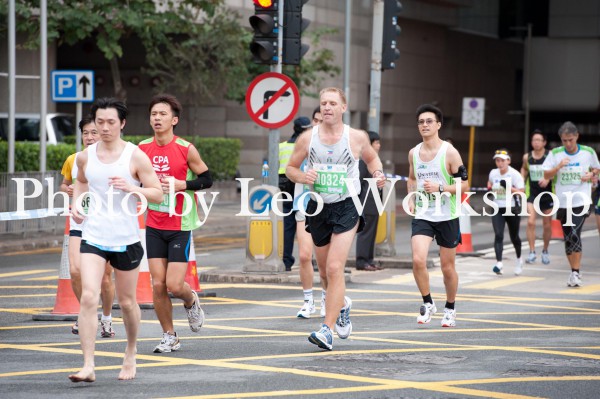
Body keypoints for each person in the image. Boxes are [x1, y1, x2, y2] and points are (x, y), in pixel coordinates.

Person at [69, 97, 163, 382]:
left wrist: (133, 189)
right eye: (100, 123)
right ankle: (88, 365)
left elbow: (157, 192)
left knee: (126, 302)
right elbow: (82, 181)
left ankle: (131, 352)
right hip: (94, 235)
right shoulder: (85, 156)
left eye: (111, 122)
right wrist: (77, 202)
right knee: (88, 296)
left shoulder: (135, 156)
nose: (105, 128)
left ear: (122, 123)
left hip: (126, 237)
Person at [286, 87, 386, 350]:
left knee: (334, 267)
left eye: (332, 103)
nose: (327, 107)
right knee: (326, 274)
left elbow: (373, 159)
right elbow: (290, 169)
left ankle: (326, 331)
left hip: (347, 206)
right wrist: (302, 177)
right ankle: (342, 305)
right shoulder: (308, 139)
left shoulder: (356, 137)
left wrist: (377, 174)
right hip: (318, 207)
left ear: (343, 107)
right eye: (323, 104)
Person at [138, 94, 212, 353]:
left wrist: (184, 184)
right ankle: (169, 335)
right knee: (157, 284)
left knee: (174, 285)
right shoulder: (142, 148)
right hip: (155, 224)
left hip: (180, 224)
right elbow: (135, 180)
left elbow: (207, 178)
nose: (157, 118)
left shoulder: (185, 148)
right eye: (153, 114)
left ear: (174, 120)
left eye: (162, 114)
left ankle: (191, 300)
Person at [407, 104, 468, 328]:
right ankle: (428, 302)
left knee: (447, 267)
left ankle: (450, 308)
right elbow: (411, 178)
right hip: (424, 213)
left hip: (447, 214)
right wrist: (412, 198)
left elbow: (466, 185)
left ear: (438, 125)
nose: (424, 125)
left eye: (429, 121)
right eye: (421, 122)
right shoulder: (414, 153)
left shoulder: (449, 152)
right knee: (417, 259)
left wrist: (442, 188)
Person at [60, 115, 115, 337]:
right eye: (86, 133)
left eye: (94, 132)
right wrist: (68, 190)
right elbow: (64, 185)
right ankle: (87, 313)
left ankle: (107, 318)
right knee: (75, 271)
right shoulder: (73, 159)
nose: (90, 137)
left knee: (104, 277)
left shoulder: (111, 159)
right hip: (79, 221)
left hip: (104, 223)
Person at [542, 121, 600, 287]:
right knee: (568, 237)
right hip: (562, 202)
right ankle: (573, 271)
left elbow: (597, 168)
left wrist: (591, 173)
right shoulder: (556, 153)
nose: (567, 143)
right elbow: (546, 173)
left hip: (581, 200)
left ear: (576, 137)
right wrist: (558, 166)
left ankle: (576, 272)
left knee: (575, 232)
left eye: (570, 140)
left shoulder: (588, 152)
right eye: (564, 140)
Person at [279, 116, 313, 271]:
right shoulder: (307, 146)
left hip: (284, 188)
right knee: (306, 225)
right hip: (301, 187)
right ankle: (307, 259)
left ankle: (286, 261)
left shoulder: (281, 146)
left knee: (288, 227)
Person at [488, 149, 525, 276]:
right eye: (497, 160)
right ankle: (499, 263)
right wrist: (490, 187)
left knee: (514, 236)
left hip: (512, 208)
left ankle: (519, 260)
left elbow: (522, 192)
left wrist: (509, 188)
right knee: (498, 235)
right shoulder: (493, 173)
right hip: (497, 207)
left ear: (508, 161)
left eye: (502, 160)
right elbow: (490, 183)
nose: (500, 163)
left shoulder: (515, 174)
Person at [520, 130, 553, 265]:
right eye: (534, 140)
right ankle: (532, 252)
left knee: (546, 225)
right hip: (532, 193)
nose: (536, 142)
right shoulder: (527, 157)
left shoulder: (550, 156)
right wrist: (521, 179)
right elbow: (524, 169)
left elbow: (556, 171)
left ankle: (545, 250)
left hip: (548, 194)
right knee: (531, 222)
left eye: (539, 140)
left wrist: (547, 178)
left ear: (544, 142)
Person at [355, 130, 383, 271]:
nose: (379, 145)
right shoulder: (364, 161)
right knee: (365, 233)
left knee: (372, 233)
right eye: (376, 142)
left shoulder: (374, 161)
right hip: (366, 203)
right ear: (370, 144)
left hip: (375, 203)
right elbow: (359, 183)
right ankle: (361, 261)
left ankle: (369, 260)